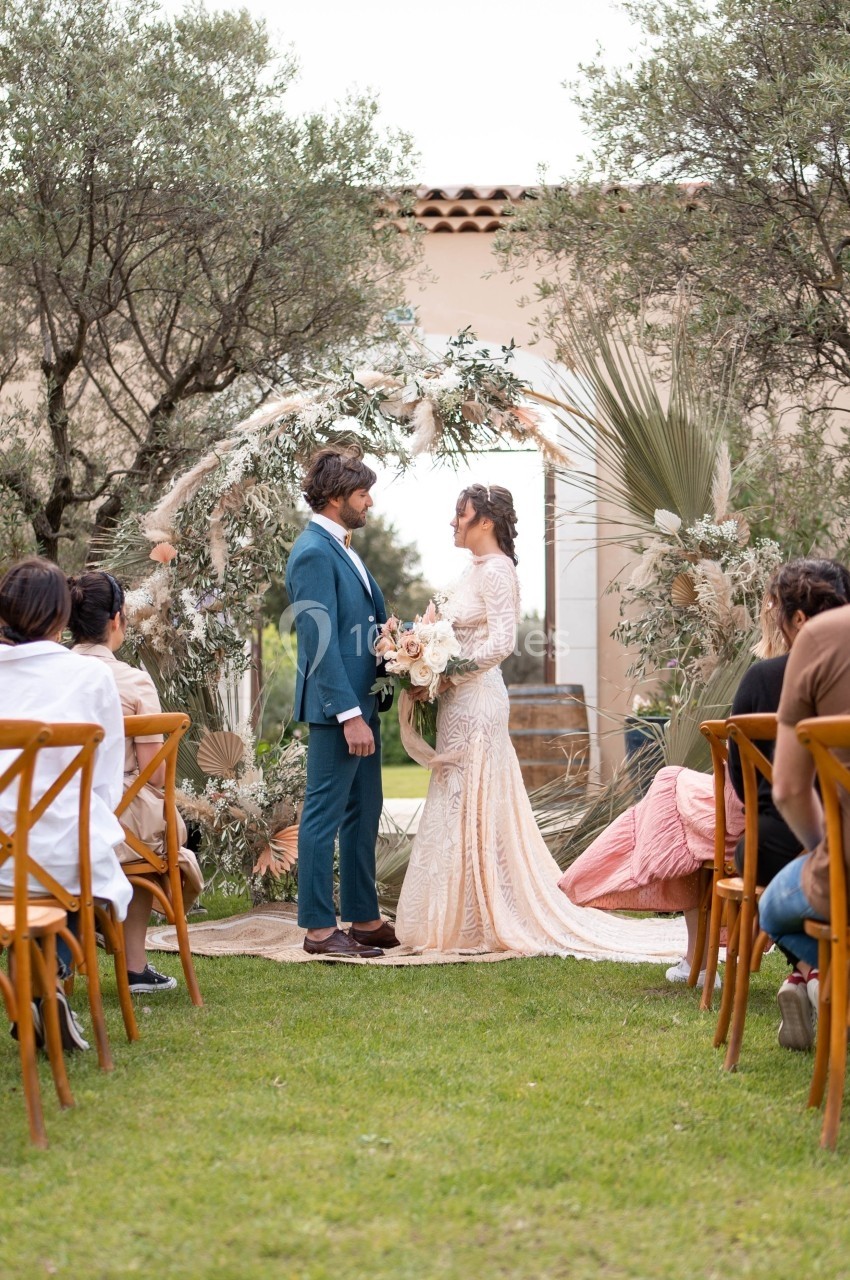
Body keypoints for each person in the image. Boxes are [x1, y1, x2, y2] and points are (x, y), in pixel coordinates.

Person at [394, 484, 685, 961]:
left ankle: (482, 913)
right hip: (456, 702)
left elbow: (505, 641)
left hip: (477, 702)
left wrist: (451, 674)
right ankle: (451, 913)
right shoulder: (472, 571)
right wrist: (424, 657)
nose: (452, 522)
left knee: (475, 797)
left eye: (459, 514)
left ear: (484, 522)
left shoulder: (499, 571)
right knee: (453, 795)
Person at [560, 559, 850, 988]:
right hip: (790, 822)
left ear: (800, 620)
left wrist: (823, 850)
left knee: (681, 804)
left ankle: (805, 968)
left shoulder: (769, 678)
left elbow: (750, 785)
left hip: (779, 832)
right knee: (674, 796)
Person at [0, 556, 132, 1050]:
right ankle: (46, 976)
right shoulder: (90, 678)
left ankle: (36, 981)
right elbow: (104, 786)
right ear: (62, 617)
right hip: (58, 856)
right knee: (84, 847)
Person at [285, 444, 396, 959]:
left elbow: (370, 624)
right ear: (333, 498)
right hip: (338, 713)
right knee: (324, 815)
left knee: (363, 811)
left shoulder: (345, 547)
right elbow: (320, 642)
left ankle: (365, 917)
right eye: (361, 493)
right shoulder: (312, 552)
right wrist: (349, 715)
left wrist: (415, 641)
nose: (369, 502)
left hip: (363, 705)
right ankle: (317, 928)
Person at [68, 570, 203, 993]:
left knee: (145, 826)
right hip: (119, 815)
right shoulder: (131, 680)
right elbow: (158, 775)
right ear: (117, 619)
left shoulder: (54, 675)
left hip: (60, 811)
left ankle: (82, 942)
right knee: (158, 832)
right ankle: (134, 964)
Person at [759, 581, 850, 1050]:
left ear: (795, 620)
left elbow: (787, 788)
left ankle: (819, 977)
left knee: (772, 905)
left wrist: (825, 852)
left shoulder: (822, 640)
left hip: (818, 847)